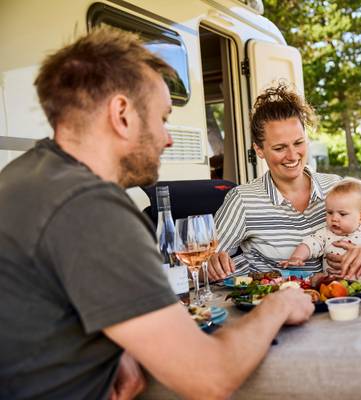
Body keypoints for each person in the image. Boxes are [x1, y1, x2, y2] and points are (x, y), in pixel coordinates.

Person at [0, 27, 314, 400]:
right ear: (122, 114)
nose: (168, 138)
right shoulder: (90, 208)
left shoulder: (25, 177)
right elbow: (209, 377)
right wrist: (277, 305)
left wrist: (115, 349)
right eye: (163, 118)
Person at [207, 84, 361, 280]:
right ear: (259, 150)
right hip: (276, 303)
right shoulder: (242, 200)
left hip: (342, 298)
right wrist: (213, 262)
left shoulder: (335, 186)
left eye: (298, 143)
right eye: (280, 148)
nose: (292, 156)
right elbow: (203, 261)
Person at [281, 178, 361, 273]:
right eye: (330, 212)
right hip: (334, 289)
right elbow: (308, 245)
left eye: (342, 214)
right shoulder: (326, 233)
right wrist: (297, 257)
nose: (334, 218)